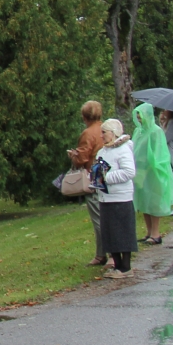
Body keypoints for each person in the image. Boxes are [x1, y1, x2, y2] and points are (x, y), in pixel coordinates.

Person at [93, 118, 138, 278]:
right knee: (110, 233)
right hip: (106, 197)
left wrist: (106, 177)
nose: (101, 136)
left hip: (121, 197)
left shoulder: (124, 149)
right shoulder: (103, 151)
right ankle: (117, 265)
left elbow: (129, 172)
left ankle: (126, 267)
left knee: (123, 233)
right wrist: (95, 177)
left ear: (113, 133)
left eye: (104, 132)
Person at [131, 104, 173, 246]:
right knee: (143, 200)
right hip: (141, 171)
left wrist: (154, 166)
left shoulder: (156, 131)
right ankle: (149, 232)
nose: (139, 117)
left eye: (141, 114)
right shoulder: (138, 131)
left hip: (153, 171)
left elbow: (160, 151)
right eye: (137, 114)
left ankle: (156, 233)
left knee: (154, 201)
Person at [69, 101, 108, 266]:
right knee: (105, 215)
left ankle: (103, 254)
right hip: (107, 176)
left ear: (85, 117)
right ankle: (105, 253)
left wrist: (73, 156)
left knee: (99, 218)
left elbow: (83, 158)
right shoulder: (106, 129)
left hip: (93, 178)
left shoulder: (88, 133)